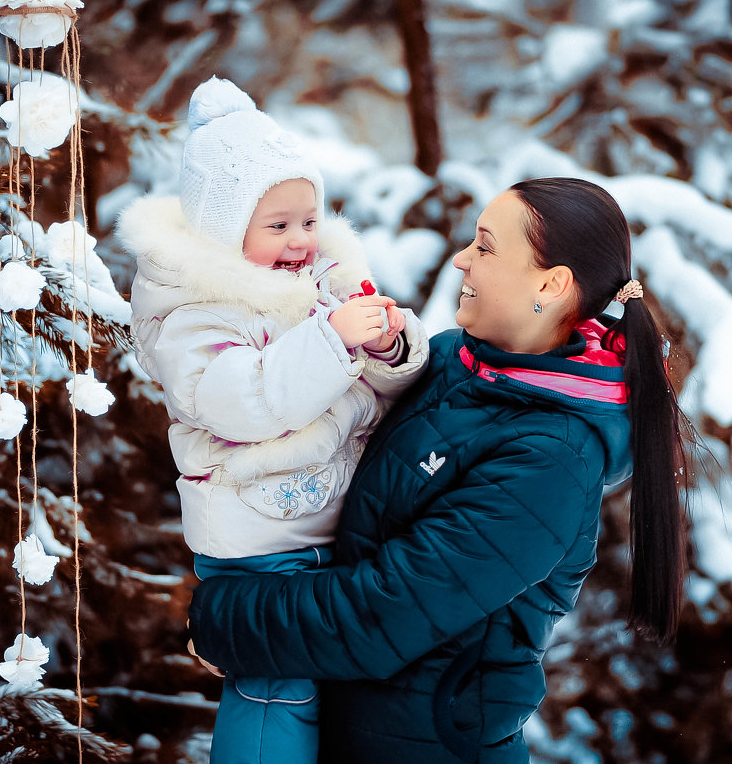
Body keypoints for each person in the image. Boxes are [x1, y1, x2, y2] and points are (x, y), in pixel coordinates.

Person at [187, 177, 690, 763]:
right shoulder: (455, 359)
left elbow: (384, 612)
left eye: (485, 247)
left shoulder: (552, 458)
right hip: (342, 728)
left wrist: (225, 619)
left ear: (550, 285)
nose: (462, 260)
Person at [117, 76, 429, 764]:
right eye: (278, 225)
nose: (300, 240)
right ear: (227, 231)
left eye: (310, 221)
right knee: (276, 686)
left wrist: (388, 346)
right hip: (259, 541)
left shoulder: (326, 283)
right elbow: (243, 400)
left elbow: (391, 386)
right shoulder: (196, 313)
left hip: (333, 526)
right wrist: (332, 340)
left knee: (333, 684)